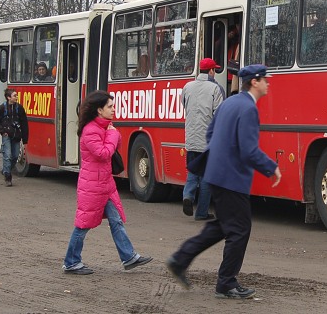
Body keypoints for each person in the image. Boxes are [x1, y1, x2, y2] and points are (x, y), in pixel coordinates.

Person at [166, 64, 282, 300]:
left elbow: (210, 133)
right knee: (239, 230)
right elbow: (249, 150)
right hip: (232, 178)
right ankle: (226, 283)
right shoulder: (248, 108)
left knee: (225, 225)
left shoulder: (230, 102)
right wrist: (271, 167)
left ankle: (180, 260)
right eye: (265, 80)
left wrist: (219, 156)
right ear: (255, 82)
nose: (268, 83)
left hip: (217, 175)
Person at [61, 91, 152, 275]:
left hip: (104, 183)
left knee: (116, 220)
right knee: (83, 225)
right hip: (93, 186)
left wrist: (112, 134)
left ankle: (129, 257)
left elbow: (113, 147)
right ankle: (71, 262)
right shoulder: (91, 130)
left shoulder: (104, 128)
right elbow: (103, 154)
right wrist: (112, 135)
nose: (113, 109)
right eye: (110, 106)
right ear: (99, 110)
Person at [182, 57, 225, 221]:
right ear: (212, 71)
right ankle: (201, 212)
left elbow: (184, 106)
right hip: (208, 141)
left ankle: (187, 196)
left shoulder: (187, 87)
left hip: (191, 139)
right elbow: (219, 115)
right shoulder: (216, 88)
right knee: (207, 177)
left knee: (193, 170)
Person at [0, 88, 29, 186]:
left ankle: (6, 170)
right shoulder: (2, 108)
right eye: (15, 96)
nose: (16, 97)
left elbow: (24, 124)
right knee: (7, 156)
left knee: (15, 156)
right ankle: (8, 177)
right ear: (8, 97)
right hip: (6, 135)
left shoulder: (19, 108)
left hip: (16, 136)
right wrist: (2, 131)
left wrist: (25, 140)